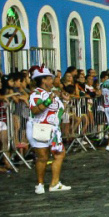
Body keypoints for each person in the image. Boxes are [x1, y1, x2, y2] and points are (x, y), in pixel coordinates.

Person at [27, 66, 71, 194]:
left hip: (53, 129)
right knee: (42, 157)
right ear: (44, 80)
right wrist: (48, 100)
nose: (53, 81)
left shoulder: (53, 94)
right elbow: (35, 111)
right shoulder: (36, 94)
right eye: (50, 79)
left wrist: (65, 102)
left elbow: (58, 112)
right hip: (40, 127)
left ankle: (54, 183)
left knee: (59, 154)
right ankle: (40, 184)